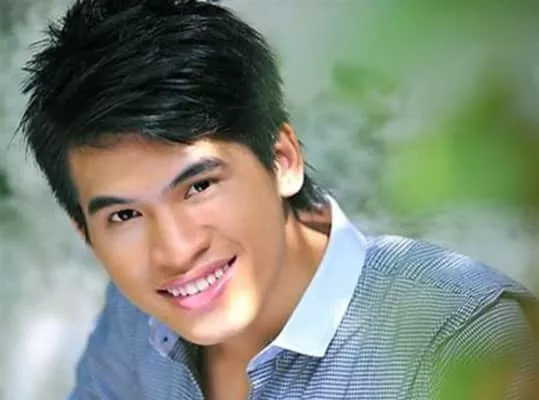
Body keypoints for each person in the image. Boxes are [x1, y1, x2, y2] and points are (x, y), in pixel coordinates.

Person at [19, 0, 538, 399]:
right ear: (85, 233)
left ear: (282, 159)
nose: (175, 251)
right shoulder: (137, 315)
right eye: (125, 214)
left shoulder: (461, 335)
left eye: (199, 186)